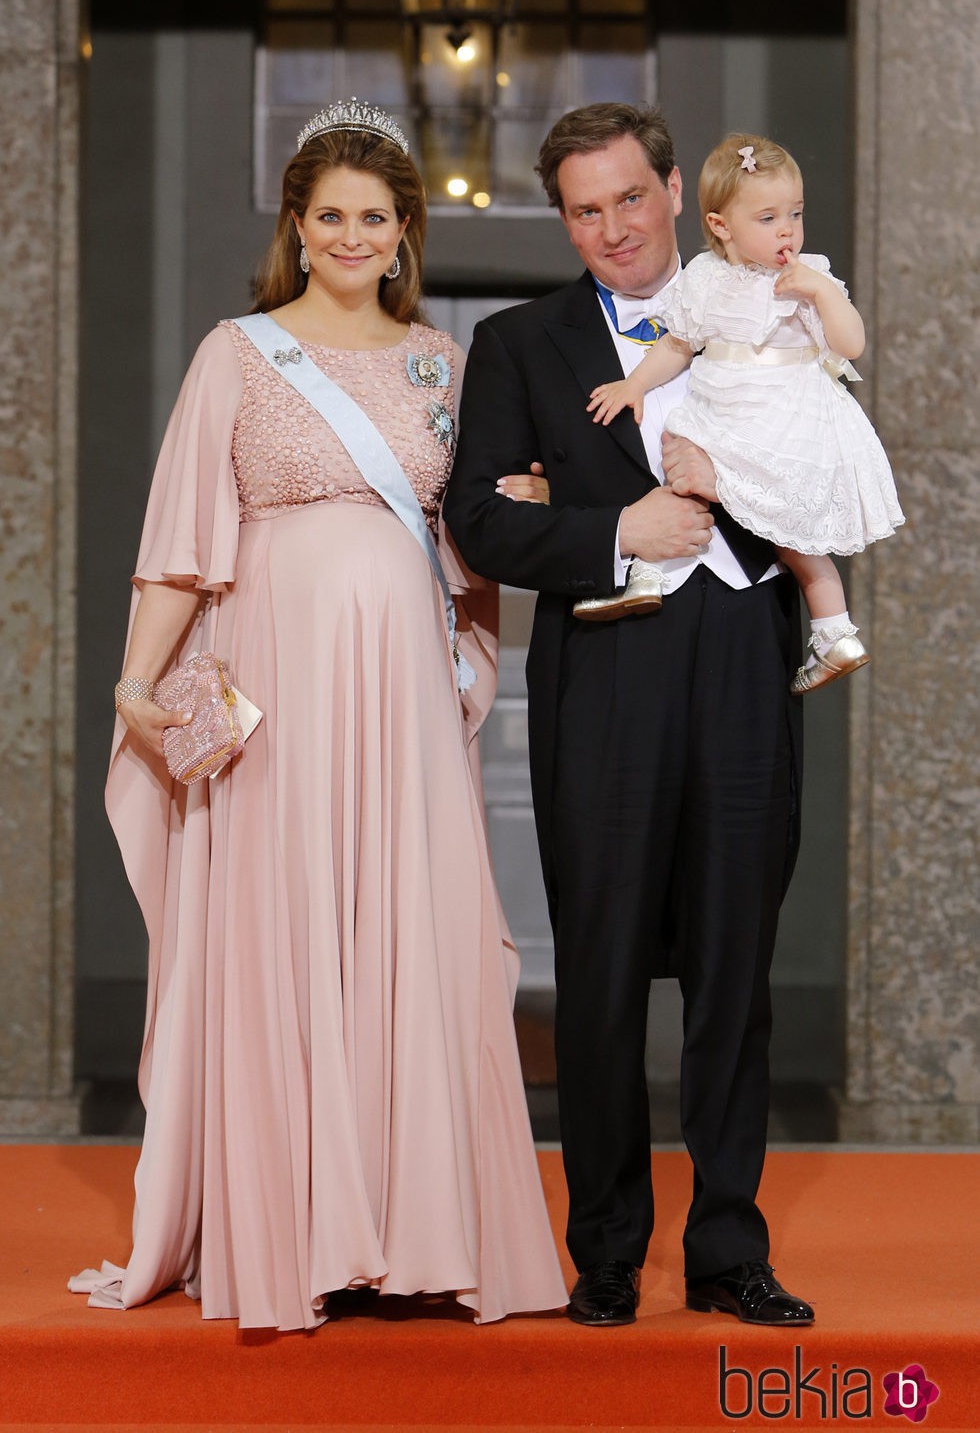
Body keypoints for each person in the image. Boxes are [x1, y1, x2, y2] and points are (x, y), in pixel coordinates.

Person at [69, 100, 567, 1331]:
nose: (352, 235)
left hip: (396, 692)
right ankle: (294, 1231)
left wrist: (469, 652)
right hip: (276, 687)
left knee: (405, 921)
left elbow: (474, 550)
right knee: (284, 922)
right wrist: (138, 685)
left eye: (376, 218)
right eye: (330, 215)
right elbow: (182, 543)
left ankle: (411, 1232)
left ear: (403, 234)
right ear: (298, 225)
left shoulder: (443, 367)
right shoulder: (235, 352)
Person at [443, 102, 814, 1328]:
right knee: (597, 975)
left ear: (676, 194)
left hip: (744, 670)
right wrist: (610, 529)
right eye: (582, 209)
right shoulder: (517, 343)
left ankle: (726, 1253)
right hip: (604, 681)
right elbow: (479, 522)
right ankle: (604, 1250)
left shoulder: (765, 306)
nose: (609, 226)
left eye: (628, 198)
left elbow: (827, 459)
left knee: (731, 973)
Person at [583, 132, 904, 693]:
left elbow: (850, 343)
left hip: (781, 420)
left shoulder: (807, 276)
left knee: (797, 539)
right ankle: (652, 571)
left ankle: (834, 629)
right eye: (768, 217)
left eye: (795, 214)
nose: (787, 230)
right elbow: (678, 344)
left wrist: (823, 294)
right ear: (722, 226)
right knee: (677, 453)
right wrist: (635, 384)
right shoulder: (706, 278)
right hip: (723, 409)